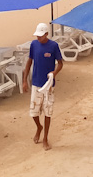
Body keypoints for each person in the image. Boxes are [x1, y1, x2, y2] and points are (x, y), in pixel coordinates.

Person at [22, 22, 63, 150]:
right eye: (37, 35)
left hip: (49, 85)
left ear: (46, 34)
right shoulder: (34, 45)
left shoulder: (54, 46)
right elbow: (29, 62)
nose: (38, 38)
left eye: (40, 35)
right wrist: (24, 80)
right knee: (34, 112)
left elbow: (60, 63)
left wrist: (54, 73)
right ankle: (39, 127)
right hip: (36, 83)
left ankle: (45, 138)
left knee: (47, 112)